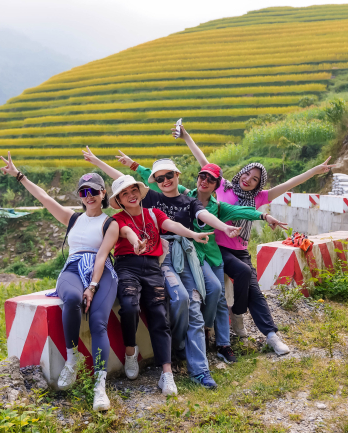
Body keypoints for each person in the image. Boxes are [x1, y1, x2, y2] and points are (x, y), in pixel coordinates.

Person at [83, 147, 240, 389]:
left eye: (169, 176)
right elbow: (122, 190)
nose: (165, 181)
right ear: (154, 182)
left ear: (177, 175)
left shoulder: (182, 202)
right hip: (157, 261)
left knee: (201, 298)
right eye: (159, 178)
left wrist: (212, 230)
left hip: (181, 255)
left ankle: (191, 366)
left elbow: (187, 220)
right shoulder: (146, 202)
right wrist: (97, 161)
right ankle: (166, 348)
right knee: (173, 300)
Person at [174, 125, 335, 355]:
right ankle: (238, 315)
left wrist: (314, 171)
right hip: (219, 247)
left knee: (254, 290)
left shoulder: (259, 197)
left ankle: (270, 335)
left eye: (255, 179)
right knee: (244, 273)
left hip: (240, 250)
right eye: (248, 173)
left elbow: (291, 183)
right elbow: (203, 160)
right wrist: (186, 136)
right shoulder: (223, 186)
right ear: (242, 172)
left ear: (259, 184)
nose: (249, 179)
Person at [116, 152, 287, 364]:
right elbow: (140, 183)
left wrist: (262, 216)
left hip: (210, 254)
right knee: (195, 295)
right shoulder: (178, 194)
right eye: (202, 177)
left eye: (211, 179)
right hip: (184, 253)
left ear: (217, 185)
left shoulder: (210, 205)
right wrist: (131, 164)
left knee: (218, 293)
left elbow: (237, 210)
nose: (205, 181)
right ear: (197, 178)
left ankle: (221, 338)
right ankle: (195, 340)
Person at [0, 152, 116, 412]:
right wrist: (19, 176)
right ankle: (71, 359)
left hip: (101, 271)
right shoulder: (72, 218)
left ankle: (100, 384)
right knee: (72, 299)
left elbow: (103, 256)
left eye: (93, 191)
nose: (89, 196)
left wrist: (93, 286)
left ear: (103, 192)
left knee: (98, 322)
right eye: (83, 192)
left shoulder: (110, 223)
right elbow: (44, 198)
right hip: (73, 269)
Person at [108, 174, 210, 396]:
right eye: (124, 194)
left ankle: (167, 375)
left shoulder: (153, 214)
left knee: (159, 315)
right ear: (120, 200)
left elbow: (171, 225)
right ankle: (130, 351)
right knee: (130, 306)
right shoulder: (117, 219)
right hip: (127, 267)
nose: (131, 195)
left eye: (133, 190)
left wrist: (193, 234)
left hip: (153, 268)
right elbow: (127, 233)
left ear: (140, 192)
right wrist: (136, 242)